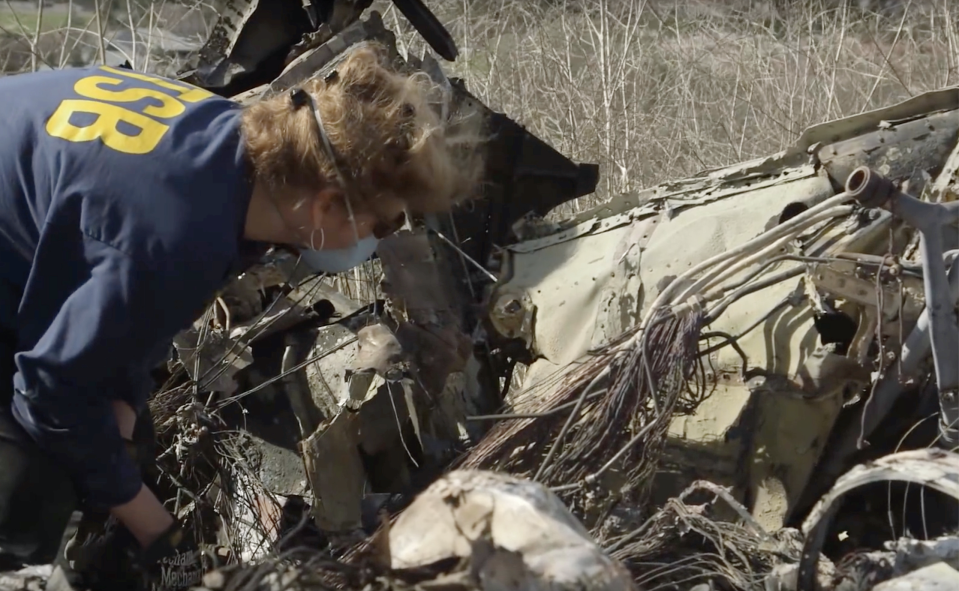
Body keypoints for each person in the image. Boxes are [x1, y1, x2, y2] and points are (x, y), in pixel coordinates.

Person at [0, 43, 482, 589]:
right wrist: (159, 534)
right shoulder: (178, 233)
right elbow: (49, 392)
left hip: (20, 243)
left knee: (119, 448)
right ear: (326, 205)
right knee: (29, 486)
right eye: (383, 226)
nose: (378, 242)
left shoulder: (243, 158)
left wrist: (124, 422)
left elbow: (125, 321)